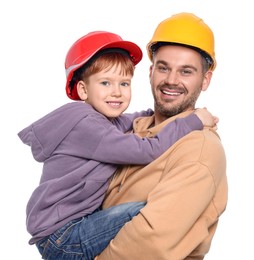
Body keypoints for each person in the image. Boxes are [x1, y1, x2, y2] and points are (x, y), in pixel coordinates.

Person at [18, 30, 217, 259]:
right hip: (63, 235)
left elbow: (129, 119)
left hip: (66, 227)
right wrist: (193, 121)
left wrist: (158, 117)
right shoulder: (87, 126)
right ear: (83, 89)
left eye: (124, 83)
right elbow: (145, 150)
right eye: (105, 82)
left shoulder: (98, 119)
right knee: (143, 212)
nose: (117, 92)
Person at [94, 13, 228, 260]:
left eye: (186, 71)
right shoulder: (131, 128)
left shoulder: (198, 150)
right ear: (151, 71)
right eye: (163, 68)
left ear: (205, 79)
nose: (171, 81)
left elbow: (150, 243)